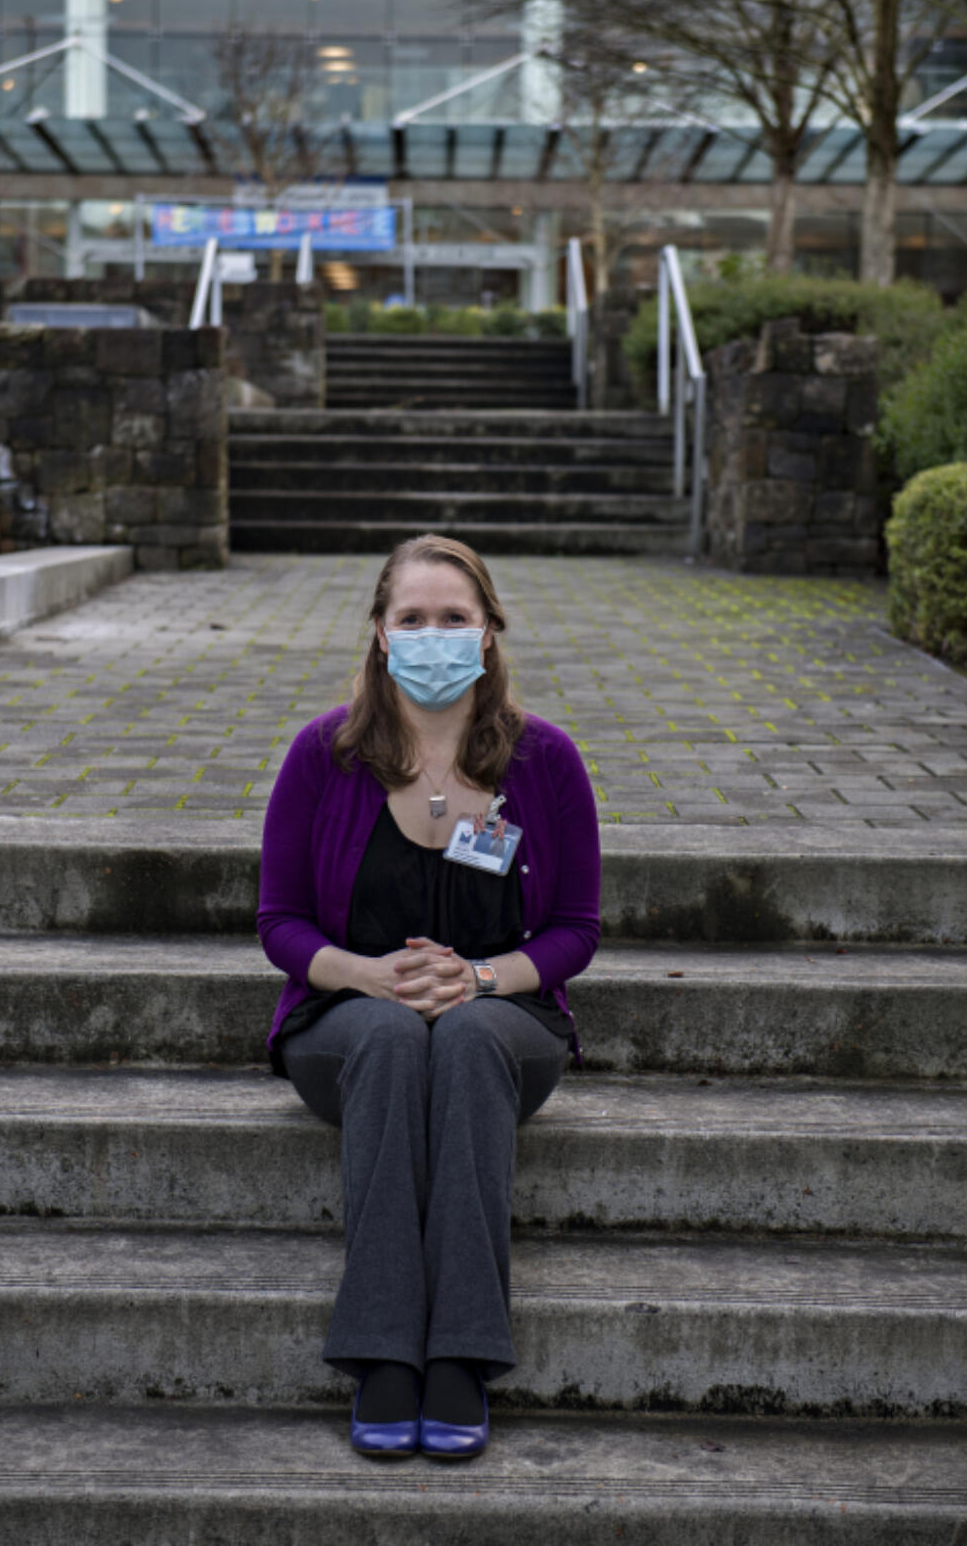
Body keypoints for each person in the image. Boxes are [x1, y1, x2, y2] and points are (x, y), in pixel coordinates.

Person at [257, 534, 601, 1460]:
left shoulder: (548, 762)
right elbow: (280, 922)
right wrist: (366, 974)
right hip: (345, 1021)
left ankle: (460, 1353)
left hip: (507, 1018)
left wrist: (480, 978)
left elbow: (576, 930)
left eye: (456, 618)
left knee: (465, 1038)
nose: (434, 636)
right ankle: (383, 1356)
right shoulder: (320, 756)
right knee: (397, 1037)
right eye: (413, 619)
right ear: (379, 634)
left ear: (489, 634)